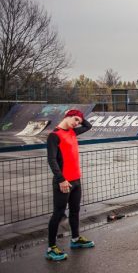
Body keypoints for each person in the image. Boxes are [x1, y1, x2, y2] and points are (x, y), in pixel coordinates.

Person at [46, 109, 94, 261]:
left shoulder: (73, 132)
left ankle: (75, 239)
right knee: (58, 214)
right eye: (74, 120)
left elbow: (89, 126)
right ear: (67, 116)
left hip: (76, 180)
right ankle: (51, 248)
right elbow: (52, 160)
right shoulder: (54, 135)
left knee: (75, 211)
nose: (77, 123)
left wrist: (79, 116)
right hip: (64, 182)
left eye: (78, 122)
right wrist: (61, 179)